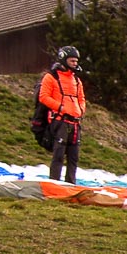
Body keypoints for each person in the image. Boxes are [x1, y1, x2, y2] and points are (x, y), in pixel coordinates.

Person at [39, 45, 87, 184]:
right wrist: (61, 108)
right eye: (72, 61)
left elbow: (81, 98)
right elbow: (44, 97)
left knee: (74, 156)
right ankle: (54, 182)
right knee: (58, 155)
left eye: (76, 61)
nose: (75, 64)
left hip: (75, 122)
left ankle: (71, 183)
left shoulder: (76, 80)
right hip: (60, 121)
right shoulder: (51, 77)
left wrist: (80, 110)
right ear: (63, 60)